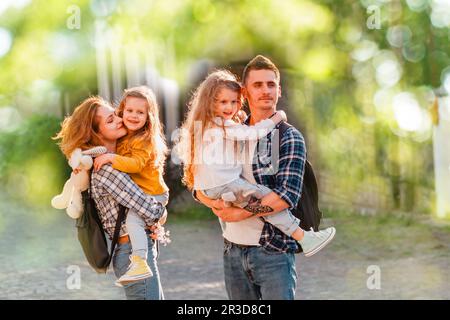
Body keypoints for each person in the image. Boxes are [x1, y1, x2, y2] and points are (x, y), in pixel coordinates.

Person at [194, 56, 335, 300]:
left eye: (271, 84)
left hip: (273, 254)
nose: (266, 90)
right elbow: (201, 180)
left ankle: (306, 238)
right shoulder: (227, 131)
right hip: (232, 251)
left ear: (279, 90)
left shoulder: (289, 138)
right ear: (245, 93)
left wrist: (238, 213)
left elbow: (286, 196)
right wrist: (212, 203)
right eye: (257, 85)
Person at [177, 70, 331, 253]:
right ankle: (304, 238)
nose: (230, 107)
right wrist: (277, 118)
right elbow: (254, 133)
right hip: (227, 188)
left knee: (261, 198)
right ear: (210, 102)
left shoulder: (204, 126)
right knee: (265, 195)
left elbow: (286, 194)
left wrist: (215, 202)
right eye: (223, 102)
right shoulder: (224, 125)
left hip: (214, 189)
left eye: (234, 101)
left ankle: (304, 238)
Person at [54, 96, 166, 300]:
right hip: (132, 252)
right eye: (110, 120)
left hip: (134, 250)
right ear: (95, 133)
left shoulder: (119, 159)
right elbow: (150, 211)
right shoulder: (106, 168)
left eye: (116, 114)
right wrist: (162, 211)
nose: (120, 119)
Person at [93, 86, 170, 285]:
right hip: (147, 197)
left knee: (133, 221)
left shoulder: (143, 140)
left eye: (140, 112)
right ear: (122, 111)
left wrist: (111, 157)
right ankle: (140, 260)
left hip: (154, 193)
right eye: (129, 111)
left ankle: (139, 261)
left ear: (149, 117)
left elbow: (135, 165)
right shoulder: (125, 136)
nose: (134, 116)